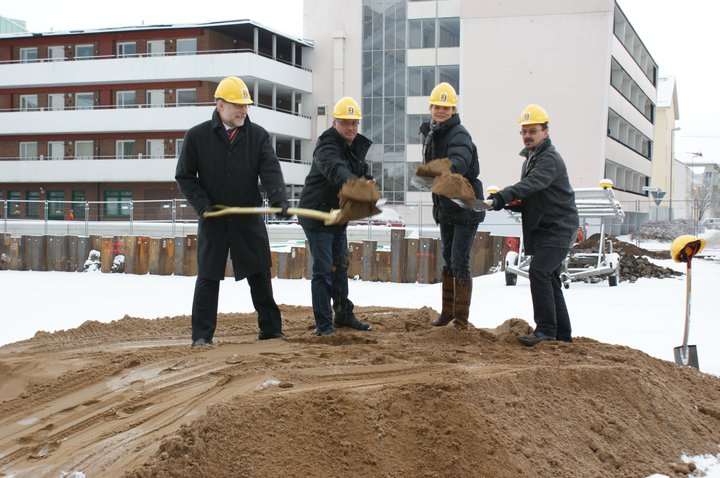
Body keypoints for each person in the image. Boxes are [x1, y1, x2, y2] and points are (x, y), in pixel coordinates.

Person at [176, 76, 290, 347]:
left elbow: (271, 171)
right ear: (220, 105)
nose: (242, 110)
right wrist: (204, 207)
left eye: (245, 106)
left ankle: (271, 330)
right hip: (214, 219)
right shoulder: (197, 136)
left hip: (247, 217)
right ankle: (202, 336)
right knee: (208, 277)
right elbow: (185, 177)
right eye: (237, 105)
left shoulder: (258, 136)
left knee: (260, 273)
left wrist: (278, 199)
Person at [487, 104, 579, 346]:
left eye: (533, 131)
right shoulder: (532, 159)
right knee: (549, 277)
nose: (527, 136)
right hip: (546, 227)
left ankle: (546, 330)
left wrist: (504, 196)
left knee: (539, 272)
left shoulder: (548, 159)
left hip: (559, 227)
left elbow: (532, 185)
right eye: (524, 131)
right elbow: (531, 196)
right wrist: (508, 203)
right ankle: (562, 334)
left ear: (545, 132)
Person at [298, 97, 376, 336]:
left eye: (354, 123)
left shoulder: (352, 147)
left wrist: (368, 181)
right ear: (335, 122)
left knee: (340, 266)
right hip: (317, 215)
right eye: (345, 123)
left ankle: (343, 313)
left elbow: (359, 170)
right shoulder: (327, 146)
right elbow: (335, 169)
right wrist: (354, 184)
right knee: (323, 269)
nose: (351, 128)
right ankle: (324, 325)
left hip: (337, 216)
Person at [416, 82, 484, 330]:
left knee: (459, 260)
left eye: (446, 107)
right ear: (431, 108)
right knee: (448, 259)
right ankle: (448, 312)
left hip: (465, 205)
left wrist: (437, 171)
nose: (441, 111)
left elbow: (460, 162)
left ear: (453, 109)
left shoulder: (459, 134)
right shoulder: (434, 133)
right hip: (446, 205)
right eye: (438, 106)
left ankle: (461, 320)